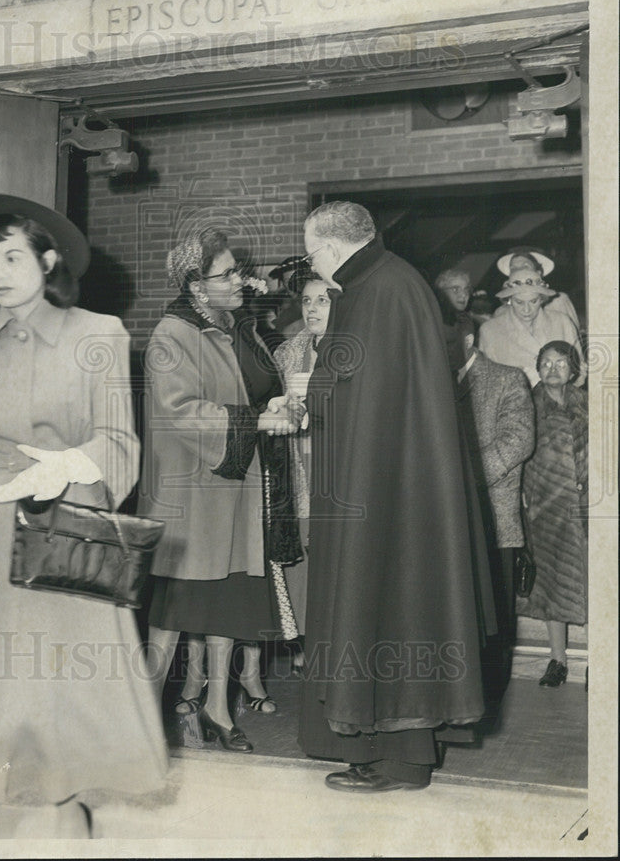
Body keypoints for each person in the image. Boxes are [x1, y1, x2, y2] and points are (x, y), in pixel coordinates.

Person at [0, 194, 167, 838]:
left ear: (48, 259)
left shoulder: (97, 335)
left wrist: (67, 466)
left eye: (14, 255)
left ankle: (71, 822)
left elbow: (118, 443)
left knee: (54, 705)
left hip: (62, 532)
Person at [298, 202, 490, 793]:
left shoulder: (379, 291)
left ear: (329, 249)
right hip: (385, 485)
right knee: (394, 615)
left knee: (392, 611)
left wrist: (309, 406)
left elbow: (368, 407)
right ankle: (390, 753)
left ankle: (404, 762)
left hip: (381, 491)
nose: (313, 265)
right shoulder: (386, 283)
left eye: (310, 254)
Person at [139, 228, 302, 752]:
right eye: (227, 273)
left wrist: (278, 410)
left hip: (239, 489)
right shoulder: (173, 334)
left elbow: (261, 391)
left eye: (236, 270)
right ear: (195, 285)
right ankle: (137, 716)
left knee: (227, 605)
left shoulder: (238, 328)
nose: (239, 279)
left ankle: (216, 710)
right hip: (192, 497)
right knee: (176, 609)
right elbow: (177, 411)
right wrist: (257, 422)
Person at [445, 322, 536, 701]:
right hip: (448, 523)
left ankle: (490, 703)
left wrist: (463, 478)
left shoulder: (507, 378)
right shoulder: (434, 380)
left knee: (495, 621)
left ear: (467, 340)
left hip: (494, 522)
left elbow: (518, 441)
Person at [517, 341, 588, 688]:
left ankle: (601, 660)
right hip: (547, 510)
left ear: (573, 370)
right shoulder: (527, 406)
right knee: (553, 585)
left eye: (561, 363)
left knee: (598, 582)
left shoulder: (589, 404)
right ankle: (557, 661)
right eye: (546, 363)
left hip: (589, 508)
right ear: (538, 368)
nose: (553, 369)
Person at [272, 272, 334, 670]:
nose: (312, 309)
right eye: (308, 301)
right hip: (299, 459)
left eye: (323, 301)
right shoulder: (287, 353)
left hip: (336, 462)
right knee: (304, 553)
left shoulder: (355, 348)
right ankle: (304, 644)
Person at [478, 269, 585, 387]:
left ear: (542, 299)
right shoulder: (490, 331)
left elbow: (579, 367)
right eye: (519, 302)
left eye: (533, 301)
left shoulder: (562, 322)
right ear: (509, 300)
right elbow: (486, 380)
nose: (526, 310)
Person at [494, 245, 582, 333]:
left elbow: (572, 338)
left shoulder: (558, 301)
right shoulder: (500, 312)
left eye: (525, 266)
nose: (519, 271)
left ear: (538, 273)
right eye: (513, 269)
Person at [434, 268, 476, 340]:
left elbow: (468, 349)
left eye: (466, 289)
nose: (463, 294)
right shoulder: (433, 321)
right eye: (455, 289)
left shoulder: (467, 321)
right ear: (441, 293)